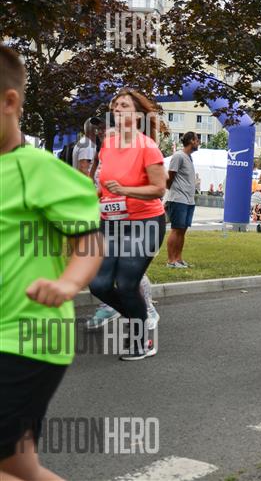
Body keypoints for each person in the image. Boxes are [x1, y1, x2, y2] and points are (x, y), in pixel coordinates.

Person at [0, 44, 103, 481]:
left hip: (27, 337)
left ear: (9, 102)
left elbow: (89, 241)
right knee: (18, 467)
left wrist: (68, 283)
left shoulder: (37, 169)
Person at [87, 88, 168, 360]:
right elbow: (103, 184)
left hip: (144, 223)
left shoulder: (147, 146)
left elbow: (159, 189)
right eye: (115, 106)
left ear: (138, 115)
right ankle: (140, 317)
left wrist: (125, 190)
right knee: (98, 284)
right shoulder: (108, 144)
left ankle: (140, 341)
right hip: (111, 223)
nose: (118, 110)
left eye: (125, 106)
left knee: (126, 283)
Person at [165, 131, 198, 268]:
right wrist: (171, 191)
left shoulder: (189, 157)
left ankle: (178, 259)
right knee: (176, 229)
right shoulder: (178, 156)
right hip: (178, 199)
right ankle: (171, 261)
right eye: (197, 140)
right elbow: (170, 176)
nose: (198, 143)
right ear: (191, 141)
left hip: (189, 200)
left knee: (182, 230)